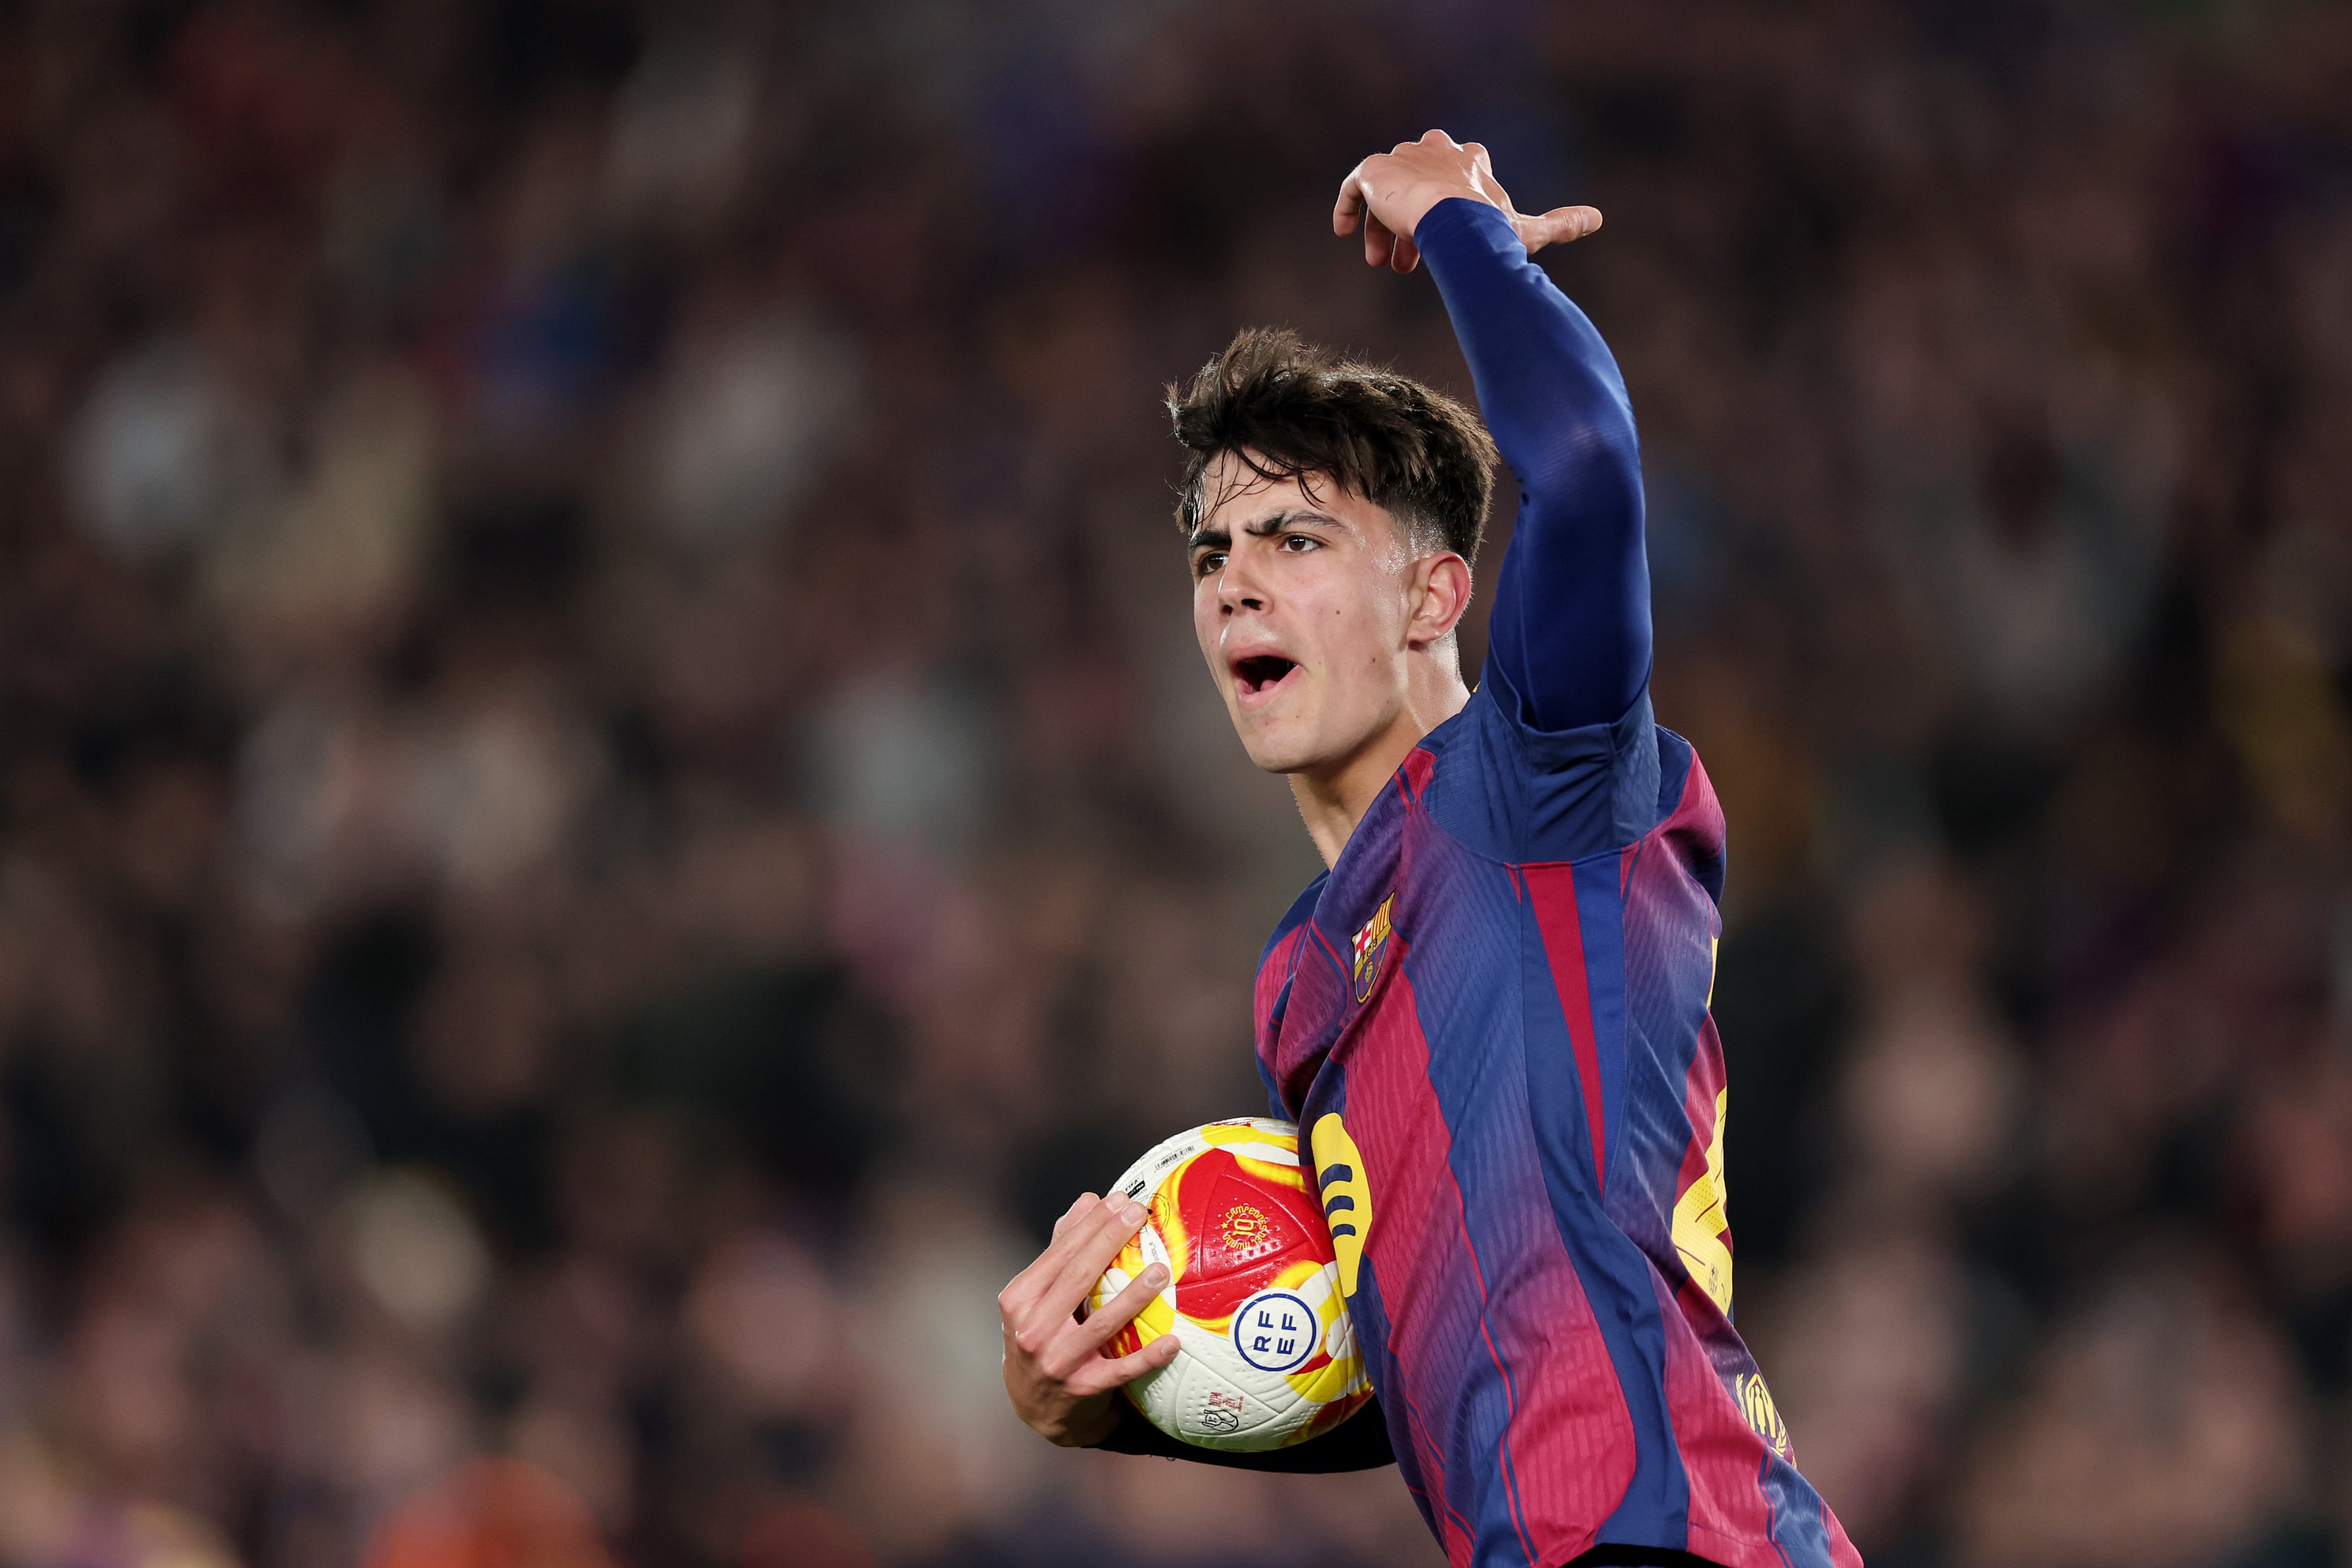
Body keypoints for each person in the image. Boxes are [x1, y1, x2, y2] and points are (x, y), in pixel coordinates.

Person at [999, 130, 1863, 1568]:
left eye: (1292, 539)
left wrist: (1467, 231)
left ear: (1431, 595)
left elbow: (1583, 468)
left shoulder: (1532, 784)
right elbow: (1425, 1362)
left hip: (1671, 1534)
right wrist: (1112, 1391)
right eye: (1211, 556)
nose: (1233, 586)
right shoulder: (1296, 977)